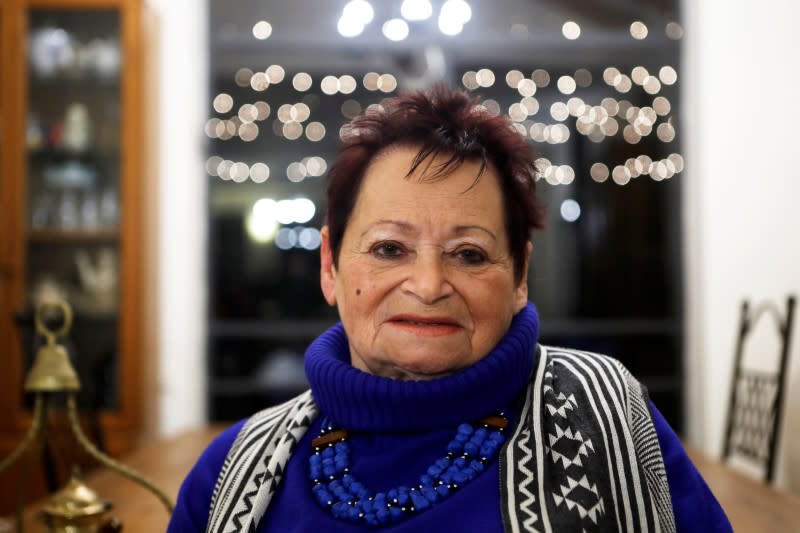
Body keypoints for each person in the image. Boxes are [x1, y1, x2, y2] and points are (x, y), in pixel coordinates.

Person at [169, 86, 731, 532]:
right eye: (389, 248)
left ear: (519, 277)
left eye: (469, 253)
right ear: (330, 267)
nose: (430, 284)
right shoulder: (231, 472)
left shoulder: (609, 418)